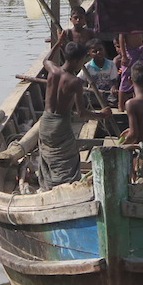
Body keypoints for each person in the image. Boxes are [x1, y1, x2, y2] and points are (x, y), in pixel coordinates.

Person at [35, 42, 113, 189]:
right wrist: (101, 115)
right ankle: (64, 189)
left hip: (45, 121)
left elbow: (45, 60)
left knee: (50, 156)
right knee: (68, 160)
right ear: (78, 61)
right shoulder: (75, 81)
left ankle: (48, 187)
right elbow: (82, 113)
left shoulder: (53, 71)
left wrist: (58, 43)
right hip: (60, 125)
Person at [84, 40, 119, 105]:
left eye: (100, 49)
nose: (98, 52)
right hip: (94, 95)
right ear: (89, 53)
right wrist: (89, 89)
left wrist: (113, 88)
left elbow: (114, 81)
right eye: (94, 51)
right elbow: (79, 81)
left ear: (104, 50)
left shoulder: (111, 64)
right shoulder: (87, 67)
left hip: (108, 94)